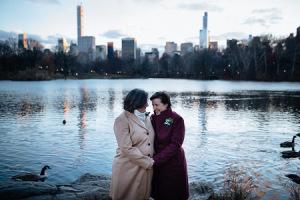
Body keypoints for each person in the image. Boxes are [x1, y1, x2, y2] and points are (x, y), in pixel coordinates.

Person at [110, 89, 155, 200]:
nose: (147, 104)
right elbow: (126, 148)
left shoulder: (147, 117)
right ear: (137, 102)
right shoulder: (122, 120)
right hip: (128, 168)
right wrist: (148, 162)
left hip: (145, 170)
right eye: (145, 102)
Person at [150, 91, 189, 200]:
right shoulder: (151, 118)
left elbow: (175, 145)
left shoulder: (177, 119)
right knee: (159, 193)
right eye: (152, 105)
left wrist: (156, 159)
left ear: (166, 104)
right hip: (157, 163)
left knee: (173, 193)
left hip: (173, 163)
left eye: (156, 105)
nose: (154, 107)